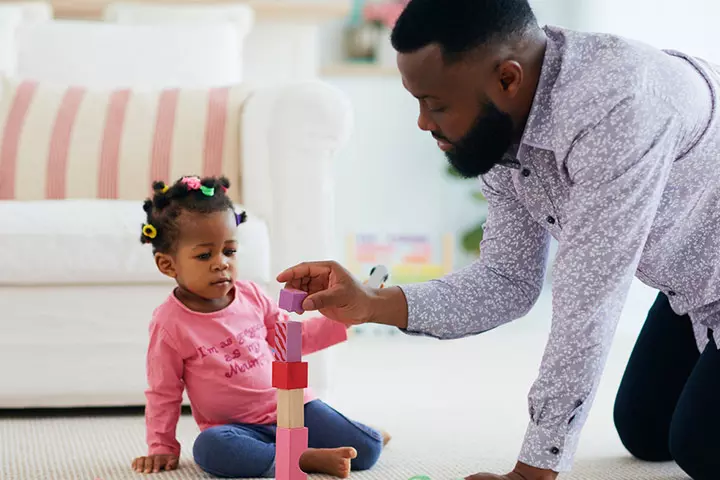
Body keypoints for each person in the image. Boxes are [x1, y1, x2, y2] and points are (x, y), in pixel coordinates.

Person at [276, 1, 720, 479]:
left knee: (701, 449)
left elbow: (588, 304)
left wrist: (533, 472)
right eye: (418, 101)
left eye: (437, 103)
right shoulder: (510, 124)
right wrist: (370, 303)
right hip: (694, 284)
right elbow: (506, 278)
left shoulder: (618, 106)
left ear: (507, 79)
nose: (424, 122)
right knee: (644, 430)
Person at [130, 175, 388, 478]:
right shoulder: (169, 324)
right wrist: (161, 446)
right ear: (168, 265)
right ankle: (304, 459)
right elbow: (163, 392)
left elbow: (295, 340)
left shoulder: (251, 295)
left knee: (368, 450)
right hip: (234, 429)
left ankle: (341, 438)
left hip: (292, 409)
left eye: (229, 251)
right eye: (204, 255)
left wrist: (347, 318)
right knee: (209, 449)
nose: (221, 263)